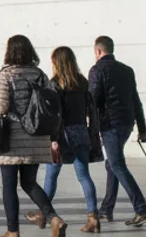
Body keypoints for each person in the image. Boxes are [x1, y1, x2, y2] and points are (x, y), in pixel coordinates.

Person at [0, 35, 66, 237]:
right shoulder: (40, 74)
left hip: (12, 138)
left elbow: (2, 107)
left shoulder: (6, 74)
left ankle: (12, 231)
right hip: (36, 136)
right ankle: (54, 218)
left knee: (9, 185)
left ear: (9, 52)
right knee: (29, 182)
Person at [35, 47, 101, 233]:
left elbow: (55, 114)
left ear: (56, 62)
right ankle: (93, 217)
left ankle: (43, 214)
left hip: (61, 135)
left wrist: (53, 139)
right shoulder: (82, 82)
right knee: (84, 176)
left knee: (52, 174)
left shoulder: (54, 84)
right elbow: (89, 110)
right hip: (81, 132)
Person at [89, 35, 146, 226]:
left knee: (117, 165)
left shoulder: (97, 69)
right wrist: (142, 129)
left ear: (98, 51)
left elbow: (92, 101)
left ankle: (141, 209)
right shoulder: (127, 70)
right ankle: (107, 210)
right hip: (127, 124)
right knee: (112, 164)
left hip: (110, 124)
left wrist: (90, 128)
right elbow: (135, 100)